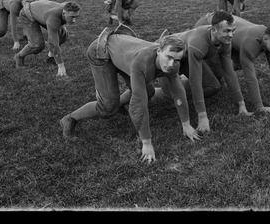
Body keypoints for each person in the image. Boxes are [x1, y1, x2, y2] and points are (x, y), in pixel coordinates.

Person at [60, 24, 199, 163]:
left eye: (176, 60)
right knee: (108, 107)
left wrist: (186, 124)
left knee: (148, 91)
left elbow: (178, 92)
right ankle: (70, 118)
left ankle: (119, 103)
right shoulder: (142, 63)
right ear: (158, 51)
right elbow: (139, 104)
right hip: (102, 53)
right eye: (168, 57)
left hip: (122, 52)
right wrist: (146, 143)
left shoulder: (173, 64)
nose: (171, 64)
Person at [194, 12, 270, 115]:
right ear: (265, 39)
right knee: (213, 75)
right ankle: (186, 83)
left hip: (227, 33)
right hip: (208, 24)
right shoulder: (250, 45)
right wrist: (259, 106)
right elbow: (250, 77)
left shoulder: (267, 37)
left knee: (232, 65)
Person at [170, 11, 253, 133]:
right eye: (226, 31)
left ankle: (180, 86)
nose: (231, 35)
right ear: (213, 30)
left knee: (213, 86)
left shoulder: (225, 41)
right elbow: (195, 80)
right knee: (168, 93)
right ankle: (169, 91)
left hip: (188, 58)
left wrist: (242, 105)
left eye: (232, 30)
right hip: (170, 58)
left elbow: (229, 72)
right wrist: (202, 116)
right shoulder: (198, 43)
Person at [14, 0, 81, 77]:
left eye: (76, 17)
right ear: (64, 13)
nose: (74, 20)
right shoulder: (54, 19)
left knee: (63, 35)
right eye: (72, 17)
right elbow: (53, 43)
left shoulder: (67, 6)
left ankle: (51, 58)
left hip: (42, 13)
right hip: (27, 14)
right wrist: (61, 66)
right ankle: (19, 57)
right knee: (37, 44)